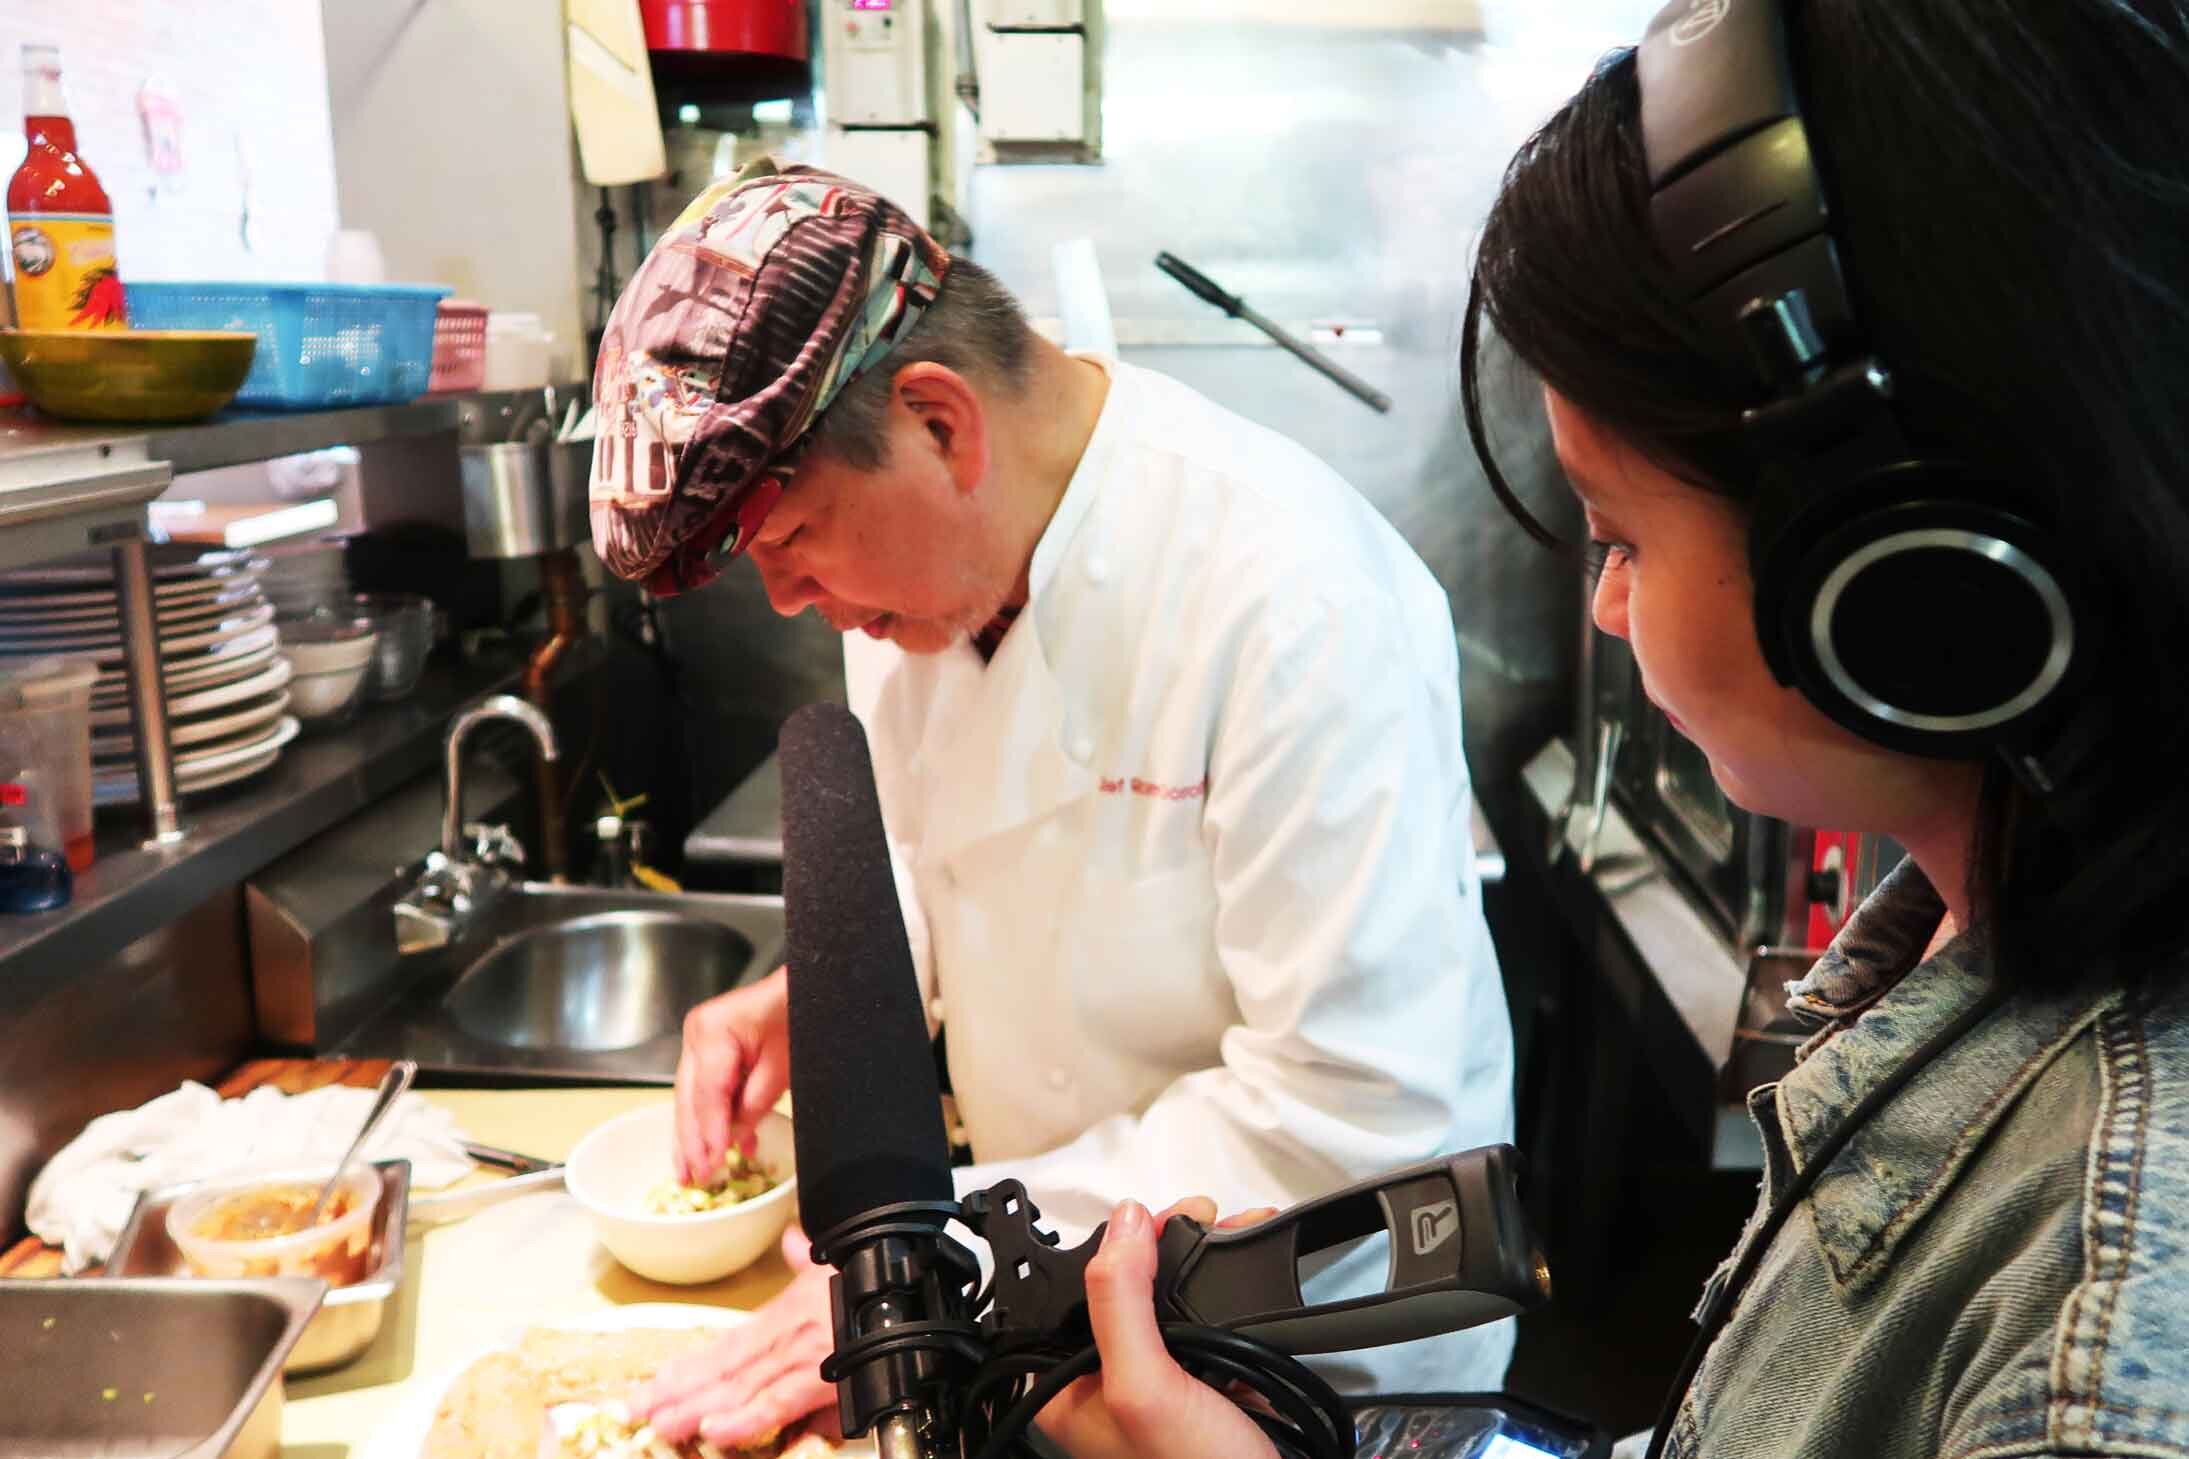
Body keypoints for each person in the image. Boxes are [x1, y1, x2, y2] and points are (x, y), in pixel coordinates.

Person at [1041, 1, 2189, 1456]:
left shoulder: (2112, 1316)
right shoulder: (1986, 946)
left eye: (1619, 537)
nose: (1600, 607)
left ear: (1902, 587)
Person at [586, 159, 1517, 1450]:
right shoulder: (921, 570)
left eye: (790, 545)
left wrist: (930, 1266)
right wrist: (839, 994)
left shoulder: (1292, 596)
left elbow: (1353, 1109)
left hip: (1310, 1352)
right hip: (1056, 1308)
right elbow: (948, 848)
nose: (791, 604)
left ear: (937, 422)